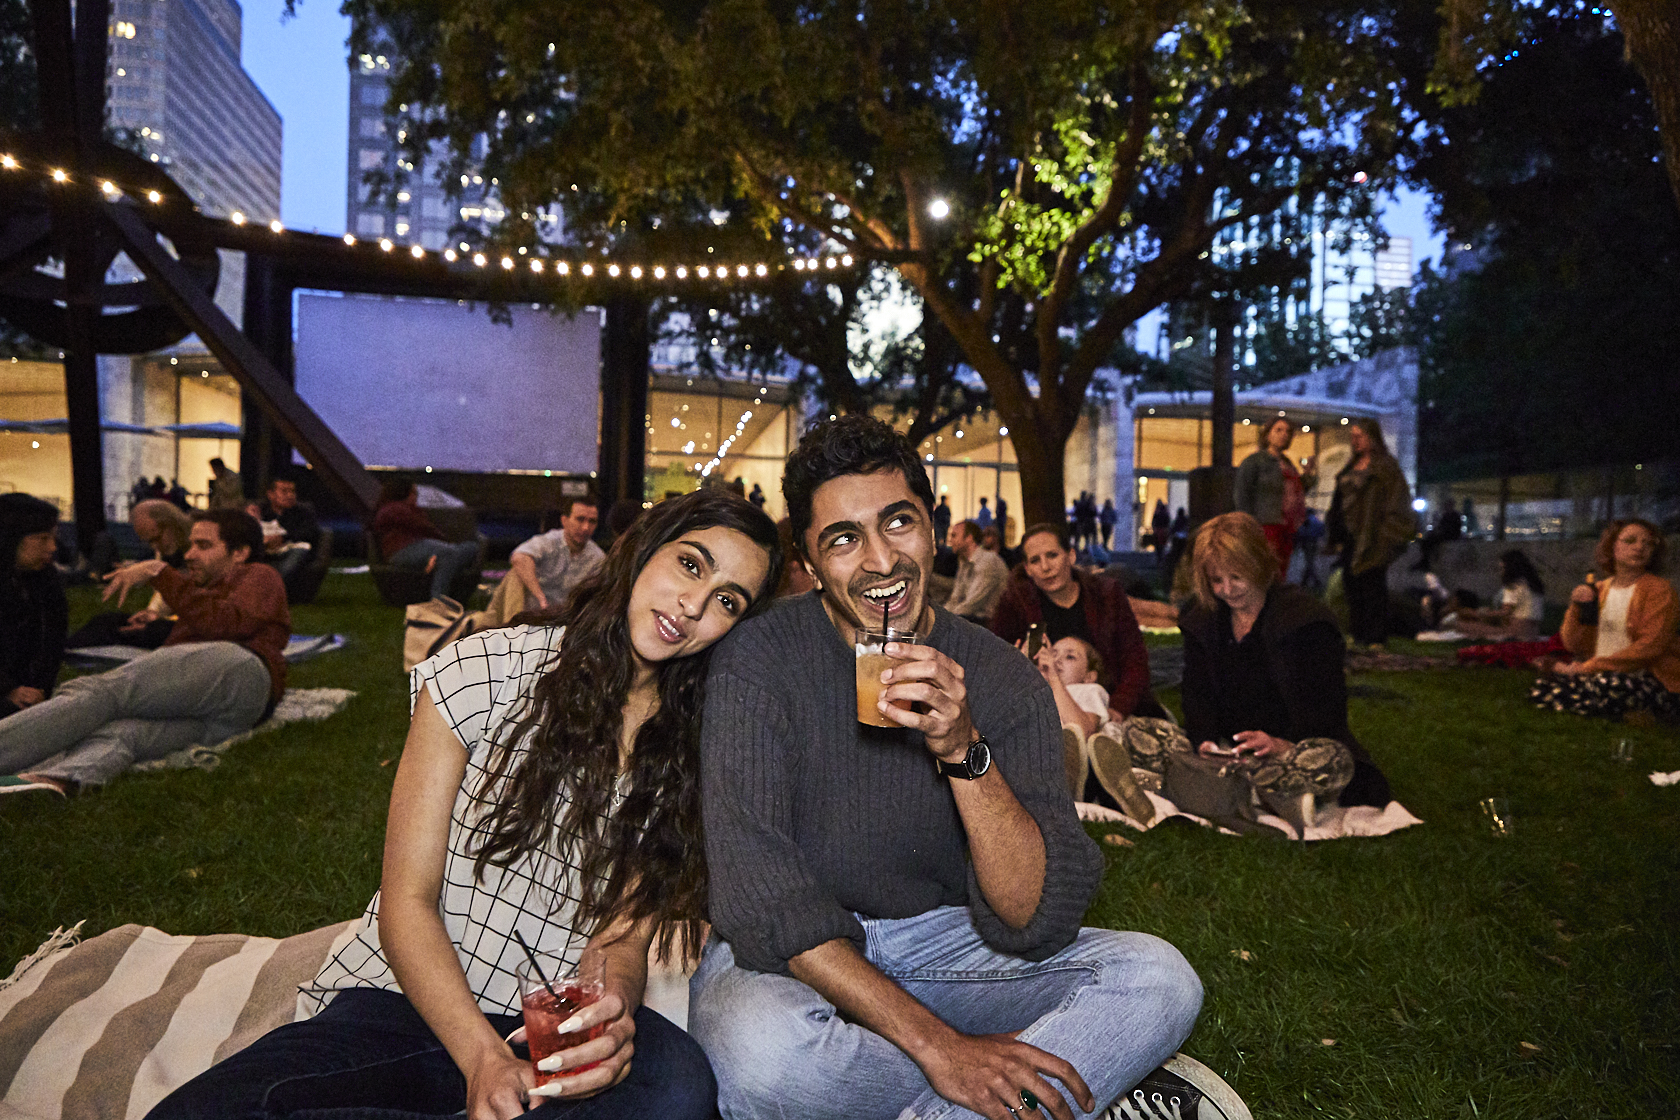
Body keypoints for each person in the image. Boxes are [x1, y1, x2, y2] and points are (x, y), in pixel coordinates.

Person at [146, 489, 782, 1120]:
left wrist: (609, 1011)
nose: (694, 605)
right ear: (643, 550)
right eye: (690, 564)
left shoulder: (694, 749)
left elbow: (622, 937)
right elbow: (407, 902)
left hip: (553, 1019)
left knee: (678, 1089)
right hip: (413, 1001)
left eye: (728, 600)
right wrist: (483, 1059)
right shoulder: (487, 671)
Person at [691, 414, 1232, 1120]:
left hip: (938, 942)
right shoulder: (758, 659)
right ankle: (1046, 1085)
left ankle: (997, 1084)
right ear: (812, 564)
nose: (881, 561)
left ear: (934, 527)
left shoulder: (1003, 678)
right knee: (760, 1055)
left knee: (1160, 979)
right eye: (844, 539)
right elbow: (762, 894)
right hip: (798, 954)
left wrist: (962, 750)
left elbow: (1031, 914)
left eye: (899, 523)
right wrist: (942, 1049)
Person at [1120, 513, 1392, 828]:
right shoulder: (1203, 622)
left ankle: (1221, 789)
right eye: (1217, 581)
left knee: (1334, 760)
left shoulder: (1305, 621)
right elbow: (1197, 695)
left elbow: (1326, 711)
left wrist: (1279, 745)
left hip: (1290, 748)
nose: (1228, 589)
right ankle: (1258, 793)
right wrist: (1205, 741)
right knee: (1138, 732)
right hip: (1226, 749)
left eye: (1237, 577)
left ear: (1258, 565)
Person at [0, 509, 288, 796]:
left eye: (203, 545)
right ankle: (57, 781)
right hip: (228, 715)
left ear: (240, 553)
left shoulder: (259, 575)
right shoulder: (205, 593)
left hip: (240, 671)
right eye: (190, 545)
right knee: (124, 732)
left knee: (103, 693)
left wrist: (158, 571)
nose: (189, 555)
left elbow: (227, 624)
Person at [991, 523, 1163, 725]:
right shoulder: (1017, 604)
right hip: (1045, 710)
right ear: (1028, 569)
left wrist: (1118, 708)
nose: (1045, 567)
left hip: (1108, 703)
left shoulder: (1106, 595)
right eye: (1035, 561)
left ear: (1071, 556)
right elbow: (994, 666)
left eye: (1052, 555)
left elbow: (1135, 660)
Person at [1531, 518, 1679, 722]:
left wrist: (1588, 667)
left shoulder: (1660, 591)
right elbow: (1572, 644)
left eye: (1648, 543)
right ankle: (1623, 713)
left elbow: (1650, 647)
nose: (1639, 547)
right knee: (1542, 688)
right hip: (1600, 672)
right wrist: (1575, 608)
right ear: (1612, 546)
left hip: (1647, 676)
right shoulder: (1599, 589)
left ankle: (1642, 711)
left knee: (1606, 684)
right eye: (1630, 541)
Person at [1325, 418, 1415, 649]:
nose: (1355, 441)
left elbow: (1397, 502)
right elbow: (1339, 502)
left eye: (1360, 436)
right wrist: (1334, 533)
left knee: (1372, 585)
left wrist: (1388, 534)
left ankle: (1375, 637)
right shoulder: (1349, 468)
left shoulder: (1385, 468)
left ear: (1372, 437)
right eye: (1352, 436)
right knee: (1352, 585)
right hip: (1350, 535)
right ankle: (1358, 634)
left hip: (1374, 535)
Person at [65, 499, 193, 652]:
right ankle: (64, 650)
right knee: (106, 622)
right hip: (177, 622)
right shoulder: (171, 551)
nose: (155, 546)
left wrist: (158, 622)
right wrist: (152, 613)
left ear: (172, 525)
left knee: (134, 632)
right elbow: (166, 594)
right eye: (149, 542)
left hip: (191, 628)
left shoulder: (195, 551)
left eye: (156, 539)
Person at [0, 495, 67, 726]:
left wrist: (38, 689)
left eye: (54, 538)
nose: (52, 548)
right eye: (42, 538)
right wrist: (8, 690)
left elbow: (52, 642)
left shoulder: (45, 581)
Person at [374, 479, 481, 601]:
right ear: (405, 493)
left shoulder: (409, 509)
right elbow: (424, 528)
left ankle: (437, 561)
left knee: (470, 548)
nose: (417, 497)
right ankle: (438, 599)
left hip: (425, 548)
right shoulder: (394, 510)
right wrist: (445, 542)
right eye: (414, 493)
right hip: (403, 551)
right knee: (450, 553)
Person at [1233, 418, 1317, 574]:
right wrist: (1248, 526)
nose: (1284, 434)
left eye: (1288, 431)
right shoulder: (1255, 461)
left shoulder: (1287, 463)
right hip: (1266, 525)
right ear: (1267, 435)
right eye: (1278, 430)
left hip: (1287, 525)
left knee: (1281, 568)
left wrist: (1307, 473)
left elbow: (1297, 490)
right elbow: (1242, 495)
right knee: (1267, 569)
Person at [509, 497, 605, 612]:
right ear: (564, 521)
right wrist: (541, 599)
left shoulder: (597, 557)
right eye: (580, 519)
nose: (586, 527)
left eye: (592, 522)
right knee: (515, 576)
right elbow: (519, 557)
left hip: (569, 616)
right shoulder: (549, 542)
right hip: (535, 612)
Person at [1446, 550, 1546, 641]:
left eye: (1502, 568)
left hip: (1516, 632)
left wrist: (1479, 613)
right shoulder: (1533, 584)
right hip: (1533, 632)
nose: (1500, 572)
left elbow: (1505, 612)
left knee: (1461, 625)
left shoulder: (1513, 586)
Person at [258, 472, 323, 596]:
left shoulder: (303, 512)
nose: (290, 495)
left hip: (289, 549)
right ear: (271, 494)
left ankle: (271, 588)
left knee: (300, 551)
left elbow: (309, 532)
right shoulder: (261, 511)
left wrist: (283, 538)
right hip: (265, 549)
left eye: (292, 491)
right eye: (284, 491)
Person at [944, 518, 1009, 623]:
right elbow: (955, 598)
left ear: (969, 538)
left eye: (954, 536)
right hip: (973, 620)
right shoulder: (965, 562)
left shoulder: (987, 561)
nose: (950, 540)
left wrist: (943, 620)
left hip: (989, 623)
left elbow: (972, 604)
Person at [1294, 509, 1326, 590]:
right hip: (1314, 542)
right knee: (1310, 561)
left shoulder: (1306, 521)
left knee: (1309, 562)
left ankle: (1315, 582)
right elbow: (1322, 531)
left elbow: (1301, 532)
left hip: (1307, 543)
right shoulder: (1317, 521)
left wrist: (1298, 543)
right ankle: (1305, 582)